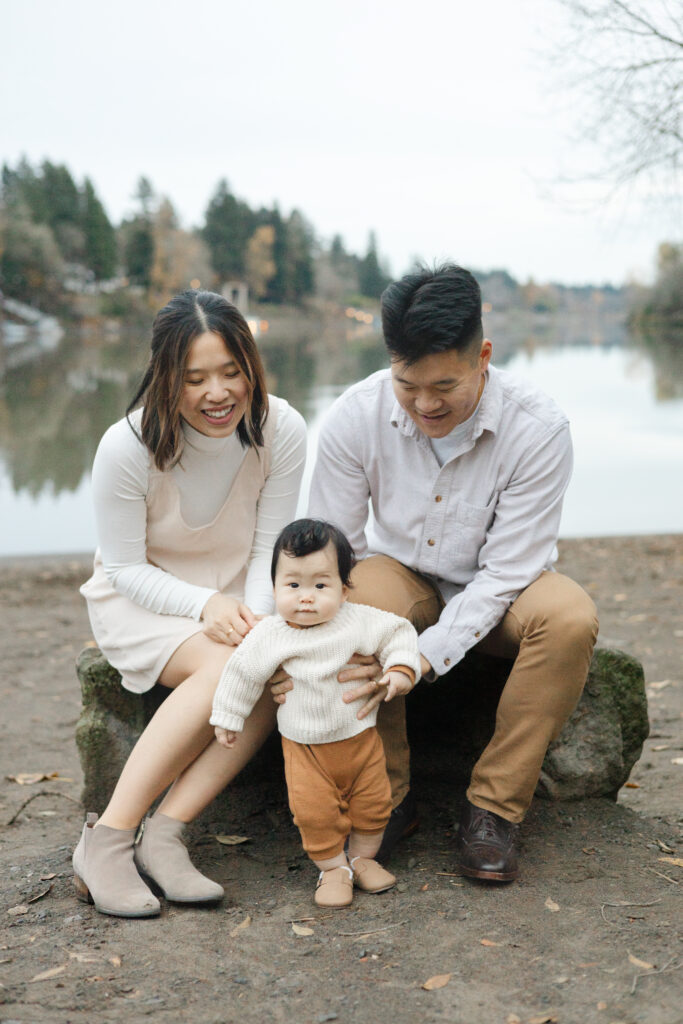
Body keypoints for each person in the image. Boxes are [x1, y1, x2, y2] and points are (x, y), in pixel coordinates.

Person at [304, 263, 599, 882]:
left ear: (484, 355)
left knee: (570, 617)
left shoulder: (538, 429)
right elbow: (334, 553)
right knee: (354, 609)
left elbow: (504, 573)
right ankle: (384, 800)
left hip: (505, 588)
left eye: (445, 384)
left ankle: (493, 809)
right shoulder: (355, 416)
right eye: (407, 384)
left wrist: (424, 657)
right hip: (402, 574)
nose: (426, 404)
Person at [73, 289, 307, 918]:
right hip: (145, 598)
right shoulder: (125, 447)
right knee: (231, 666)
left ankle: (167, 834)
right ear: (164, 377)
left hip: (238, 591)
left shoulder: (281, 428)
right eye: (195, 377)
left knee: (267, 666)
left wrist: (256, 620)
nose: (218, 393)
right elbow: (123, 567)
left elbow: (269, 550)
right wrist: (204, 605)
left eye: (232, 372)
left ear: (251, 367)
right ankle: (109, 839)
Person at [210, 518, 422, 908]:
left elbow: (399, 632)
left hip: (360, 740)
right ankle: (333, 869)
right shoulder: (270, 635)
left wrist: (400, 669)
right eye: (292, 585)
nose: (305, 597)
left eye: (320, 585)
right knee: (315, 815)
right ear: (273, 587)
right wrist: (228, 716)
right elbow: (241, 672)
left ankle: (362, 859)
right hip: (306, 749)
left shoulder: (357, 620)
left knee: (375, 805)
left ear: (344, 590)